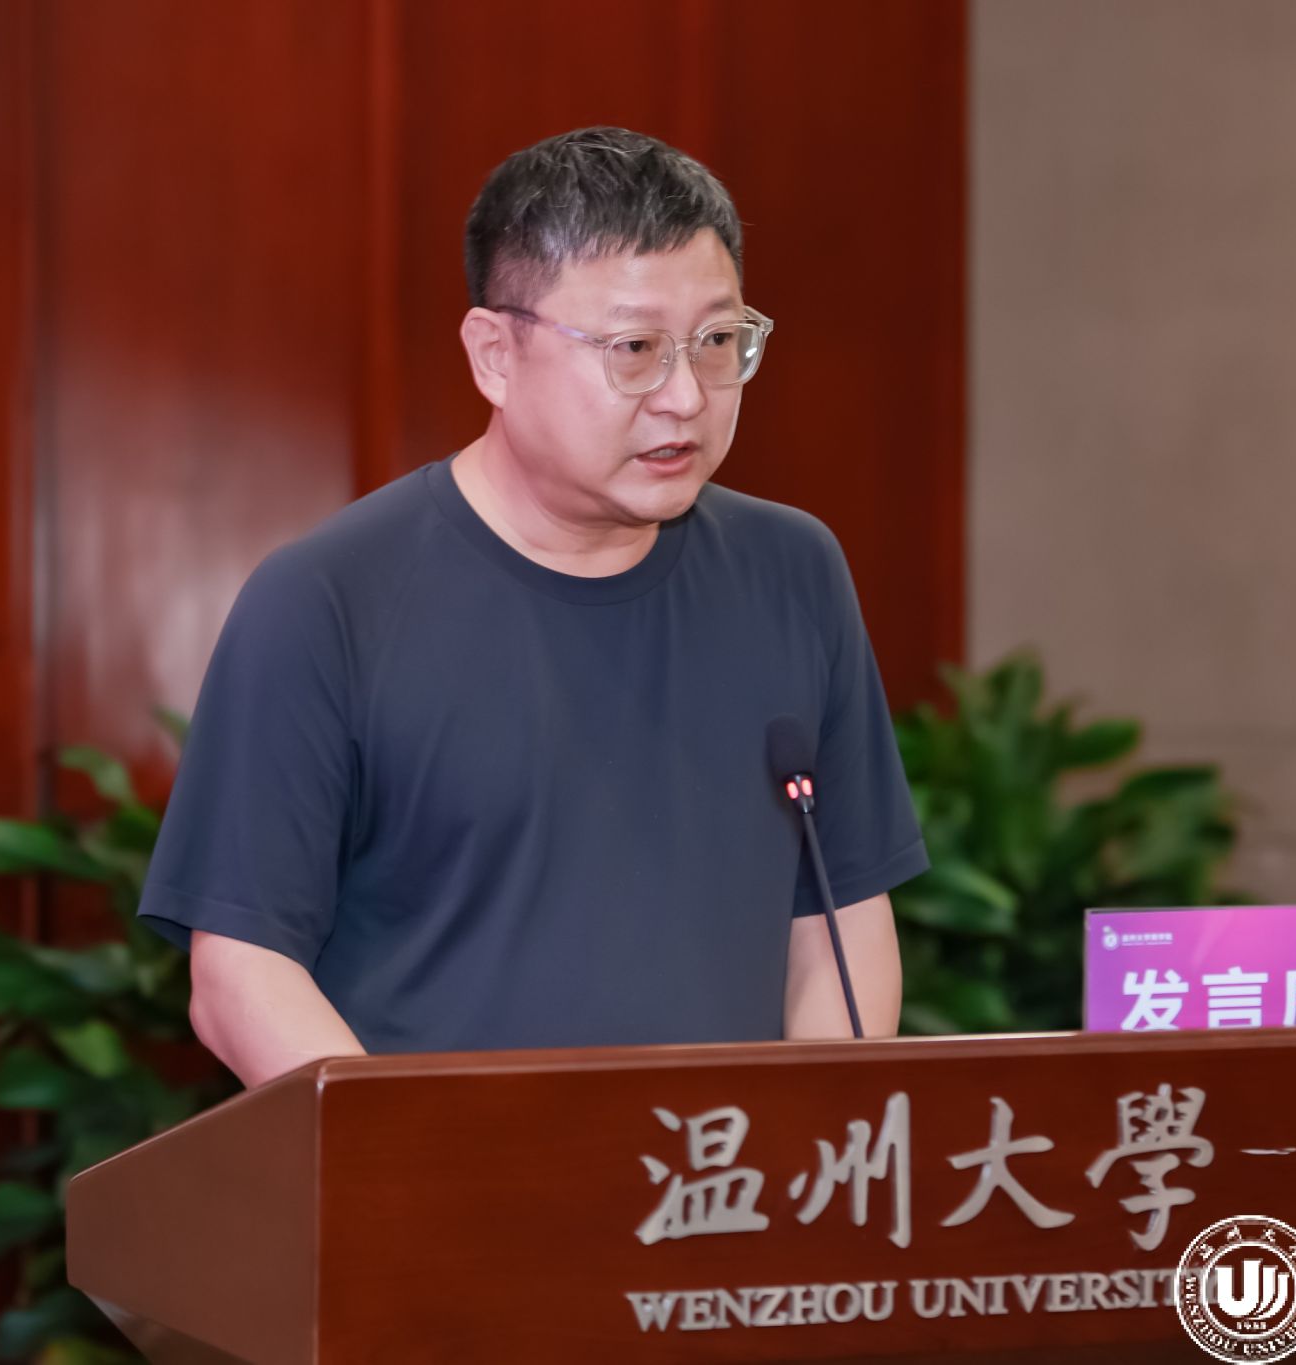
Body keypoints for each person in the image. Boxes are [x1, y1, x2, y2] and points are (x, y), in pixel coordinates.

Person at [138, 127, 928, 1087]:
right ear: (495, 355)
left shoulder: (793, 570)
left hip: (732, 1171)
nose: (685, 396)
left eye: (717, 342)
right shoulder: (327, 602)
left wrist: (810, 1147)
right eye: (635, 349)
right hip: (438, 1175)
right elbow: (240, 976)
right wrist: (417, 1161)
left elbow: (840, 925)